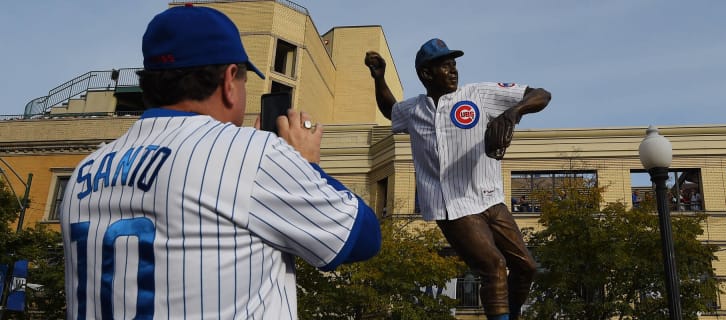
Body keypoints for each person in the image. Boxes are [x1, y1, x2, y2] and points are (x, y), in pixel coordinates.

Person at [60, 5, 380, 319]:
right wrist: (304, 163)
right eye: (243, 81)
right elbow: (363, 239)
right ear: (229, 81)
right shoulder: (252, 154)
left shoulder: (84, 170)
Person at [365, 38, 551, 320]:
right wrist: (379, 78)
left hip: (490, 198)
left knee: (527, 267)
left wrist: (514, 112)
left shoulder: (478, 94)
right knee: (494, 266)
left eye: (454, 64)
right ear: (427, 73)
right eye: (445, 65)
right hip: (451, 204)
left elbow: (541, 94)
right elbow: (391, 110)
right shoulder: (415, 110)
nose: (453, 70)